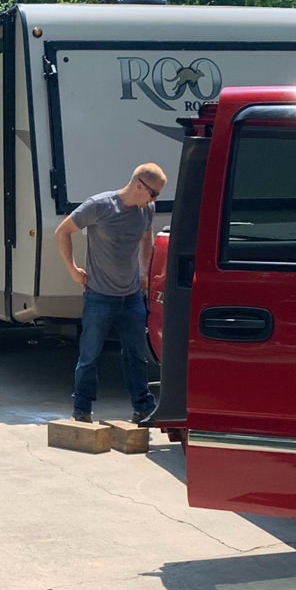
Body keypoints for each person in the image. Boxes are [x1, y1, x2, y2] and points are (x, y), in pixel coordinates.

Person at [54, 161, 167, 426]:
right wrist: (72, 269)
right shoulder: (100, 206)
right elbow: (63, 231)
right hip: (99, 295)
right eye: (154, 193)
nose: (155, 200)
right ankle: (81, 409)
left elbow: (145, 238)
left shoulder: (146, 209)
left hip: (131, 297)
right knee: (89, 355)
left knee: (135, 354)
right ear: (139, 185)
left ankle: (143, 408)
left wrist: (143, 272)